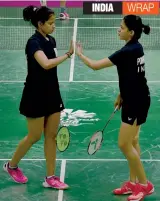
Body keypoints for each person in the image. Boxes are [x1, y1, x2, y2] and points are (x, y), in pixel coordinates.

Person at [75, 15, 154, 201]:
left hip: (136, 102)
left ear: (131, 32)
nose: (118, 30)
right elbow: (132, 75)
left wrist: (79, 54)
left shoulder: (126, 51)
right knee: (133, 141)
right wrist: (121, 95)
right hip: (138, 98)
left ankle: (144, 186)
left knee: (124, 144)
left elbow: (95, 66)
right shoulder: (136, 47)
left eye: (121, 27)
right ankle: (133, 183)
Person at [3, 5, 73, 190]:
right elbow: (46, 64)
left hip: (52, 93)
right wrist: (68, 54)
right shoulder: (33, 42)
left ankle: (50, 177)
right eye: (50, 23)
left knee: (51, 136)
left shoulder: (51, 40)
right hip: (35, 95)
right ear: (40, 24)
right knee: (34, 136)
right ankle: (11, 166)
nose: (54, 26)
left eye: (54, 23)